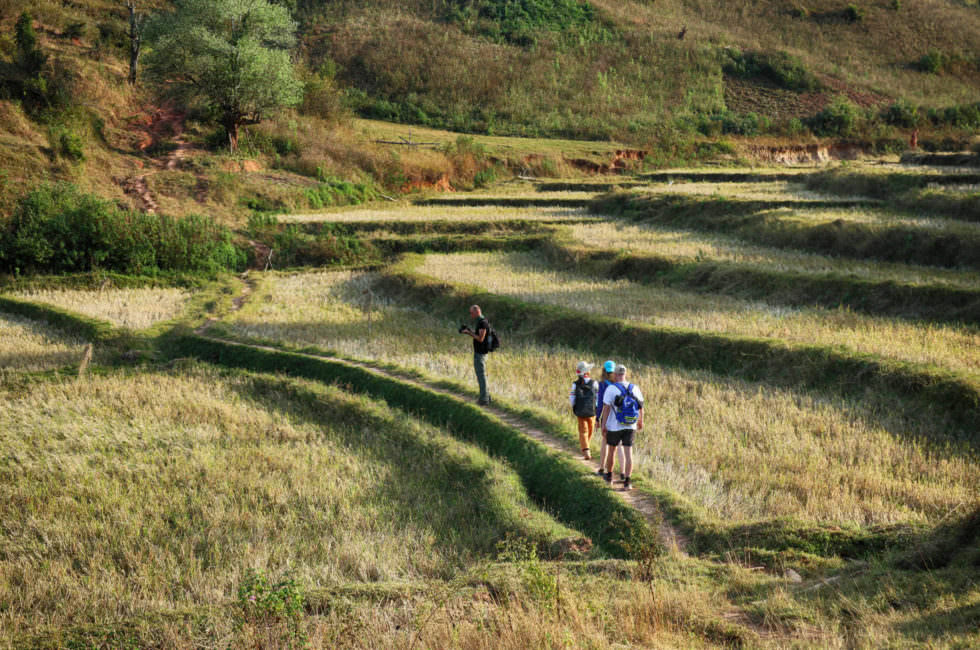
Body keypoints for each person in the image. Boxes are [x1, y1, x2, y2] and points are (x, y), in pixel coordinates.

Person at [598, 364, 643, 491]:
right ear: (625, 374)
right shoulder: (635, 388)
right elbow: (641, 407)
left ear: (615, 374)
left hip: (614, 426)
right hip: (630, 425)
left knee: (612, 451)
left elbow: (606, 408)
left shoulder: (611, 388)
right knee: (629, 453)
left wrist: (603, 425)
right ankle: (628, 481)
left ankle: (609, 477)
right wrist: (641, 421)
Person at [595, 360, 625, 479]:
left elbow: (600, 403)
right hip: (621, 419)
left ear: (604, 371)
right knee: (620, 446)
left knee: (605, 444)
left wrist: (597, 418)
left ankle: (602, 468)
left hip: (607, 419)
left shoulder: (602, 385)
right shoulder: (621, 384)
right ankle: (623, 473)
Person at [460, 304, 491, 405]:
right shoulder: (482, 321)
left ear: (477, 312)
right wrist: (469, 331)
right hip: (480, 352)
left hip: (480, 353)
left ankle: (483, 399)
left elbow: (480, 339)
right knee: (482, 375)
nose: (470, 315)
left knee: (481, 376)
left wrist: (469, 333)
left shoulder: (482, 323)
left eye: (471, 313)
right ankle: (487, 396)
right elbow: (478, 335)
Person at [569, 361, 599, 460]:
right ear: (588, 372)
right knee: (590, 430)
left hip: (580, 411)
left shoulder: (575, 384)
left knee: (583, 431)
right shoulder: (594, 383)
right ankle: (587, 448)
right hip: (592, 411)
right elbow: (598, 398)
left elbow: (572, 398)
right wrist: (597, 408)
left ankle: (586, 449)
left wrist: (574, 407)